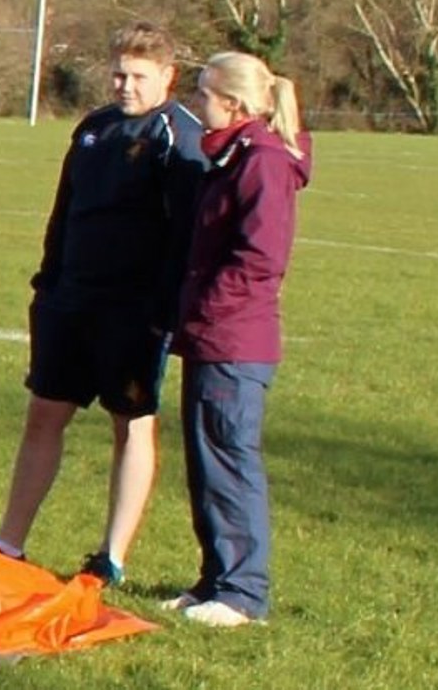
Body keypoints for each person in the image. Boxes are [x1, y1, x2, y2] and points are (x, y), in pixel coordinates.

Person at [0, 22, 208, 585]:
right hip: (70, 301)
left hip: (132, 313)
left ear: (167, 76)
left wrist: (163, 311)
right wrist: (49, 282)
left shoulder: (178, 137)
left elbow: (183, 236)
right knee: (43, 415)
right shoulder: (92, 128)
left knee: (130, 424)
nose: (124, 85)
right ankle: (8, 541)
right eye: (117, 72)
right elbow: (65, 211)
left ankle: (111, 556)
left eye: (137, 76)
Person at [163, 51, 312, 626]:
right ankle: (214, 580)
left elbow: (260, 257)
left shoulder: (263, 163)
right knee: (206, 460)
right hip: (212, 333)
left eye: (204, 94)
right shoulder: (232, 156)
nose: (198, 106)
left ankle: (243, 591)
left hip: (235, 338)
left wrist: (207, 307)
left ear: (234, 102)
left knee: (229, 457)